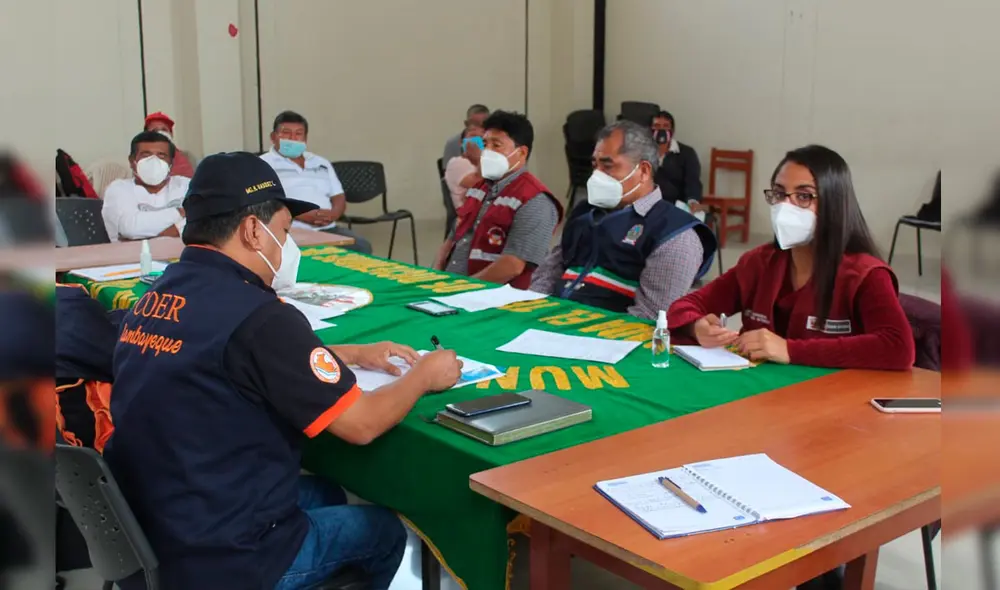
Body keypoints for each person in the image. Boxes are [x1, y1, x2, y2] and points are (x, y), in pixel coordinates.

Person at [103, 152, 464, 590]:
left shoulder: (155, 297)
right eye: (284, 231)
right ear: (253, 230)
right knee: (383, 531)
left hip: (148, 529)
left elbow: (222, 353)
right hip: (225, 559)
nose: (286, 245)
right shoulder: (261, 316)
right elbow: (363, 424)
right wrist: (425, 375)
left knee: (326, 493)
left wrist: (348, 352)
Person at [668, 145, 915, 371]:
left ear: (834, 203)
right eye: (779, 194)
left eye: (804, 196)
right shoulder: (759, 263)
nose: (786, 207)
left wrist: (789, 349)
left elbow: (898, 347)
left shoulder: (864, 274)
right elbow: (684, 306)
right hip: (759, 396)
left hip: (833, 401)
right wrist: (696, 327)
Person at [530, 121, 716, 319]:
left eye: (607, 166)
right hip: (548, 326)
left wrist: (570, 332)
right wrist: (532, 315)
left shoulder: (674, 234)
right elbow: (546, 276)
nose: (596, 176)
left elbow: (648, 317)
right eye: (595, 165)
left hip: (606, 340)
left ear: (644, 171)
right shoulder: (584, 214)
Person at [433, 111, 563, 287]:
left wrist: (462, 289)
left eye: (497, 145)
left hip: (492, 298)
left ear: (522, 153)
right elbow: (452, 238)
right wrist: (435, 277)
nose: (487, 152)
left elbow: (512, 266)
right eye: (485, 144)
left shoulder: (535, 200)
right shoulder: (479, 189)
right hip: (450, 287)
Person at [260, 110, 373, 254]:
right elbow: (264, 201)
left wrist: (333, 215)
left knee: (362, 246)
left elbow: (338, 196)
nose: (293, 138)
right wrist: (302, 215)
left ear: (305, 138)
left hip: (328, 228)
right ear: (273, 137)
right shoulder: (263, 164)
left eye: (298, 133)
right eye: (286, 133)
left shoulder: (321, 162)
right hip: (288, 230)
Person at [101, 131, 188, 241]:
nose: (154, 161)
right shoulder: (118, 189)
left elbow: (201, 226)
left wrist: (145, 239)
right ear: (132, 161)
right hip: (132, 258)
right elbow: (130, 228)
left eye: (161, 155)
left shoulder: (186, 186)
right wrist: (179, 213)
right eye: (146, 155)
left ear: (171, 163)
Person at [650, 111, 703, 211]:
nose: (661, 130)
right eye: (656, 126)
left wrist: (693, 201)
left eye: (665, 126)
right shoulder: (642, 152)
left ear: (672, 130)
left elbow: (693, 180)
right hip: (649, 205)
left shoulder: (686, 153)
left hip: (677, 207)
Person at [443, 123, 484, 210]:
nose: (478, 139)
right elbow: (482, 187)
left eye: (482, 136)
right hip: (470, 216)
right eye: (473, 135)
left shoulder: (492, 162)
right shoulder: (458, 163)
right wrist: (478, 157)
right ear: (461, 142)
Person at [144, 112, 195, 178]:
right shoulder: (139, 160)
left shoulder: (187, 156)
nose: (160, 133)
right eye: (155, 130)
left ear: (171, 134)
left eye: (164, 130)